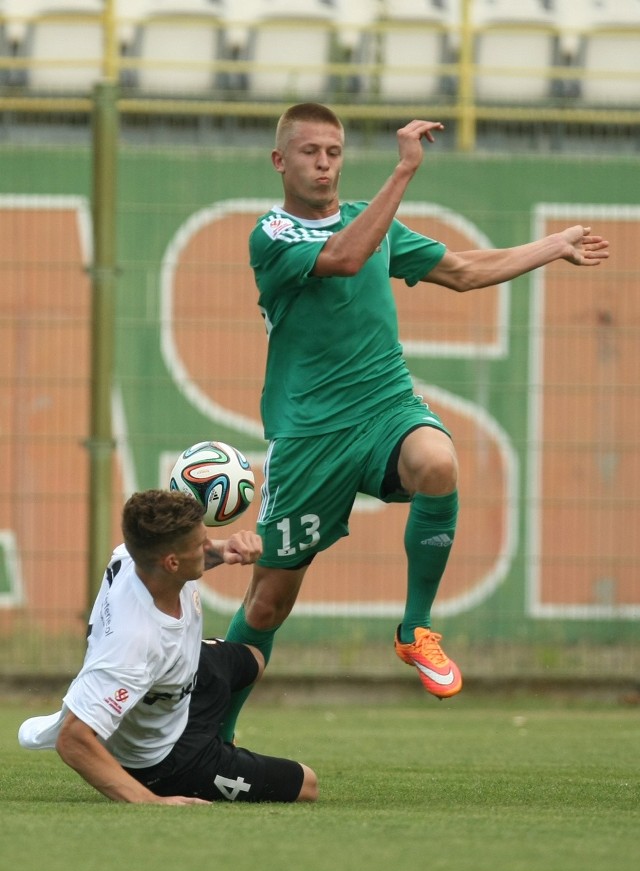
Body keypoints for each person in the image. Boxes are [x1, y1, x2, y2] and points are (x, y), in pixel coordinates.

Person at [221, 102, 610, 741]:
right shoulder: (273, 235)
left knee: (436, 461)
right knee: (269, 601)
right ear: (279, 161)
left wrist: (553, 246)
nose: (324, 164)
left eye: (334, 153)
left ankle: (415, 628)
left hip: (384, 406)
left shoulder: (370, 225)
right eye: (310, 152)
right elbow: (344, 258)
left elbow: (461, 272)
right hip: (311, 435)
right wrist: (403, 173)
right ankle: (215, 735)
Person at [18, 489, 317, 805]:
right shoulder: (133, 646)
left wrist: (225, 550)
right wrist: (151, 801)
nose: (209, 546)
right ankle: (212, 758)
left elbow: (184, 553)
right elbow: (73, 739)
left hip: (178, 682)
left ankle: (214, 734)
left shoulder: (134, 556)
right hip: (166, 760)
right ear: (173, 562)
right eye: (202, 545)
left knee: (253, 660)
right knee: (307, 785)